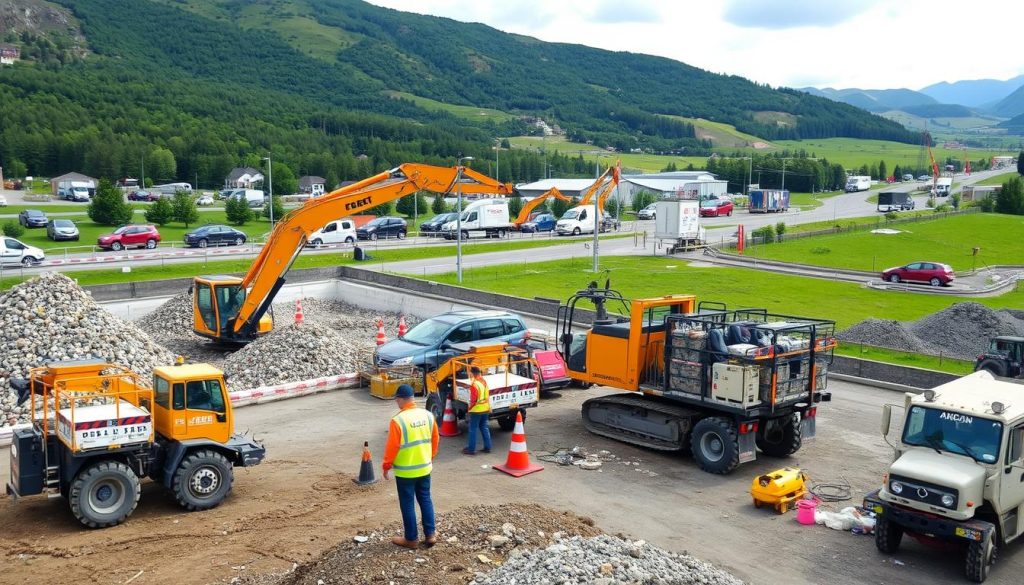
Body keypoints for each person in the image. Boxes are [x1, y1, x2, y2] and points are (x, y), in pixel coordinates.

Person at [382, 384, 439, 549]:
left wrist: (386, 466)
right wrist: (430, 457)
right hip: (424, 467)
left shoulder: (398, 420)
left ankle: (411, 539)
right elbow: (435, 439)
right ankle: (430, 534)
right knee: (425, 498)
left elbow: (392, 447)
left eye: (396, 399)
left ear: (400, 399)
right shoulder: (428, 415)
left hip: (406, 472)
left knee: (407, 503)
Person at [463, 366, 492, 455]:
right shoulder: (484, 382)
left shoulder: (474, 384)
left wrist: (469, 409)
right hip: (485, 408)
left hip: (477, 410)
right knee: (484, 427)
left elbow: (473, 399)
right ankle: (488, 447)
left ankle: (471, 449)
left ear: (473, 373)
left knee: (473, 429)